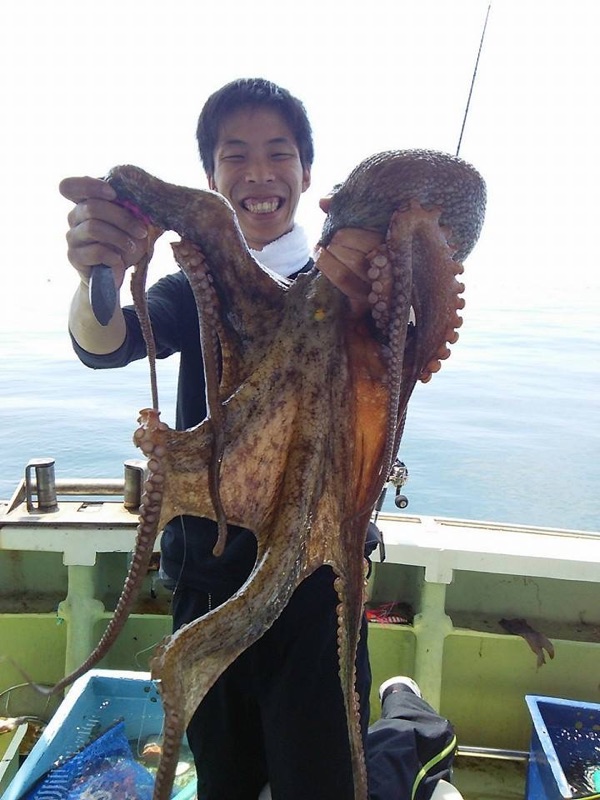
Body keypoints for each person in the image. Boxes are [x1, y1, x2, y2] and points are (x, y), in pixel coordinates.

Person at [61, 77, 458, 800]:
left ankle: (414, 730)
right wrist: (100, 276)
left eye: (279, 153)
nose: (259, 172)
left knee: (329, 782)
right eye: (235, 156)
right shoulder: (198, 287)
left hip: (318, 590)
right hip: (207, 585)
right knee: (226, 782)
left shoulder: (353, 282)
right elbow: (106, 341)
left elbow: (438, 261)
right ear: (212, 177)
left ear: (307, 175)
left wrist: (394, 258)